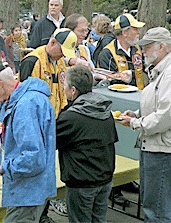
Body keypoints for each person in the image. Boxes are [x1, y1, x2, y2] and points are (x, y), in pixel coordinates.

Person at [117, 27, 171, 222]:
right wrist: (136, 114)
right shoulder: (163, 72)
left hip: (163, 149)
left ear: (162, 47)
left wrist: (136, 122)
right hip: (155, 146)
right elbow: (159, 105)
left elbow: (167, 116)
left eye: (147, 47)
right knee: (152, 205)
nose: (142, 51)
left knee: (157, 210)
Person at [0, 61, 56, 222]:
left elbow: (33, 159)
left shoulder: (25, 106)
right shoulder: (27, 98)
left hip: (27, 193)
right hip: (32, 190)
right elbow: (17, 149)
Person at [56, 65, 117, 222]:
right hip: (105, 179)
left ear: (73, 90)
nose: (63, 88)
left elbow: (50, 141)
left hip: (82, 182)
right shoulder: (105, 110)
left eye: (65, 85)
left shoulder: (71, 118)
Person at [20, 28, 77, 118]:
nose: (64, 55)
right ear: (53, 43)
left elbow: (59, 88)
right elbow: (24, 97)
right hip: (37, 117)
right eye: (62, 51)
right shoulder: (32, 61)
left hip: (55, 116)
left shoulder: (59, 61)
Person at [98, 13, 146, 89]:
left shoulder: (139, 49)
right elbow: (109, 81)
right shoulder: (107, 53)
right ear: (125, 33)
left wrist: (132, 75)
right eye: (135, 29)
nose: (138, 32)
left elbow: (148, 71)